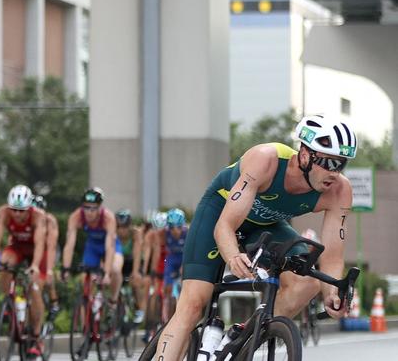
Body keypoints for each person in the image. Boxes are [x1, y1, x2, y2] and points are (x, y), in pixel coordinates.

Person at [153, 114, 358, 359]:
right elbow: (225, 226)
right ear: (305, 155)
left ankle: (238, 339)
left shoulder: (339, 191)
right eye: (329, 163)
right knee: (193, 304)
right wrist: (232, 255)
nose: (335, 173)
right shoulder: (266, 160)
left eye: (341, 164)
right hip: (219, 213)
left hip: (266, 224)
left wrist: (332, 293)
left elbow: (333, 256)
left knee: (307, 283)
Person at [0, 185, 47, 359]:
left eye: (21, 211)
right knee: (4, 263)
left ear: (29, 208)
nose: (17, 214)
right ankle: (8, 302)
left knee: (35, 289)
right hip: (17, 247)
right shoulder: (4, 212)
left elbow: (40, 243)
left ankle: (36, 335)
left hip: (36, 251)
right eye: (14, 210)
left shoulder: (38, 216)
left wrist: (34, 265)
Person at [62, 187, 120, 312]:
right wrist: (65, 268)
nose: (89, 212)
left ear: (100, 208)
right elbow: (69, 244)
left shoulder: (108, 218)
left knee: (115, 270)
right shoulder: (76, 216)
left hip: (109, 245)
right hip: (93, 246)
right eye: (86, 207)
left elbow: (109, 247)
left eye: (93, 208)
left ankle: (113, 301)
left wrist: (106, 272)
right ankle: (88, 323)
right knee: (85, 280)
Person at [150, 208, 187, 322]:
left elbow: (191, 253)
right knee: (167, 287)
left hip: (184, 258)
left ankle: (184, 309)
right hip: (171, 259)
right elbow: (157, 251)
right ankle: (165, 311)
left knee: (184, 283)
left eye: (179, 227)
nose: (176, 231)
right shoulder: (163, 233)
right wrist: (154, 269)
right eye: (172, 228)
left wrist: (182, 268)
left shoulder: (188, 233)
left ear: (183, 225)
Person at [32, 195, 61, 319]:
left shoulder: (50, 221)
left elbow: (52, 246)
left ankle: (54, 301)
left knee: (45, 276)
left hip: (50, 249)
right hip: (35, 250)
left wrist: (49, 269)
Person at [115, 209, 146, 324]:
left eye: (125, 227)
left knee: (135, 282)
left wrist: (135, 272)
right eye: (119, 227)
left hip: (133, 261)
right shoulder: (113, 233)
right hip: (119, 261)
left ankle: (139, 309)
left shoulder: (135, 233)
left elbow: (137, 254)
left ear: (130, 225)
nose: (122, 230)